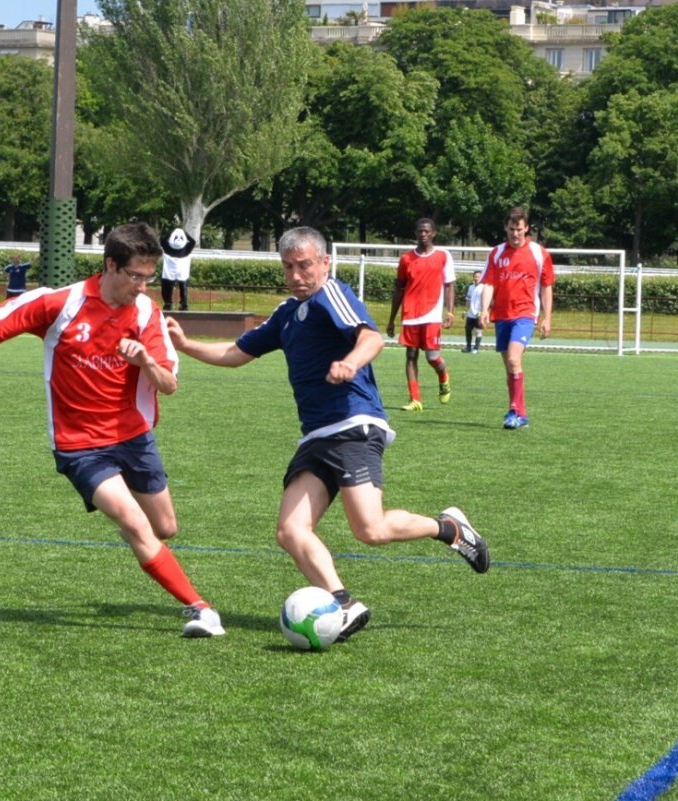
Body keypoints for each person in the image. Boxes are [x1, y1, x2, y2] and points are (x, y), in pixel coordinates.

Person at [167, 227, 489, 644]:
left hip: (354, 424)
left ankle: (448, 527)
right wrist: (185, 344)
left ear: (324, 263)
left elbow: (371, 337)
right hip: (317, 435)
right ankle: (343, 602)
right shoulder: (286, 313)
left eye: (305, 265)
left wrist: (351, 363)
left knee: (369, 530)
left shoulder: (330, 295)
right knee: (290, 530)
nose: (297, 274)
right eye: (288, 267)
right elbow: (236, 354)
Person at [0, 222, 224, 638]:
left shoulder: (146, 313)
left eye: (147, 277)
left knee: (165, 527)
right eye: (134, 276)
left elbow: (169, 386)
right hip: (78, 445)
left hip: (134, 437)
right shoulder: (61, 304)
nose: (141, 286)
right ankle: (201, 609)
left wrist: (146, 363)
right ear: (110, 265)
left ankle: (136, 532)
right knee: (136, 524)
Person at [481, 207, 554, 430]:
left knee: (514, 360)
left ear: (527, 229)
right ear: (506, 228)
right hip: (501, 316)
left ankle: (514, 411)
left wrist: (547, 317)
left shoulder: (539, 253)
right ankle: (520, 412)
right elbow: (489, 283)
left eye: (519, 230)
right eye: (512, 229)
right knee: (510, 367)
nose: (515, 234)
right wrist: (484, 309)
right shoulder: (496, 253)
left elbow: (546, 286)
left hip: (525, 314)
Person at [386, 218, 455, 412]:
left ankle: (443, 376)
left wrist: (450, 311)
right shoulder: (406, 259)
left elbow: (449, 285)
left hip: (432, 313)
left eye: (426, 231)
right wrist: (391, 319)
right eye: (419, 231)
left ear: (433, 233)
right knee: (411, 355)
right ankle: (415, 399)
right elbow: (398, 289)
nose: (423, 234)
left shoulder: (443, 255)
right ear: (415, 234)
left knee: (432, 356)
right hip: (410, 314)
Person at [160, 227, 196, 311]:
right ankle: (184, 304)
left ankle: (168, 303)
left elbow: (162, 241)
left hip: (169, 271)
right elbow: (193, 242)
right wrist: (185, 233)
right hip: (182, 271)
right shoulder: (187, 249)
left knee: (167, 287)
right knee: (183, 287)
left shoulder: (167, 248)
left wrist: (171, 232)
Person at [463, 270, 485, 353]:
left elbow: (485, 301)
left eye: (478, 277)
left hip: (479, 313)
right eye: (475, 276)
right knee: (468, 330)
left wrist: (483, 312)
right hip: (470, 313)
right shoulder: (471, 287)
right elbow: (468, 300)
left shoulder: (483, 287)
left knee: (478, 331)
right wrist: (465, 310)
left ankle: (476, 348)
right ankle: (468, 347)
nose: (476, 278)